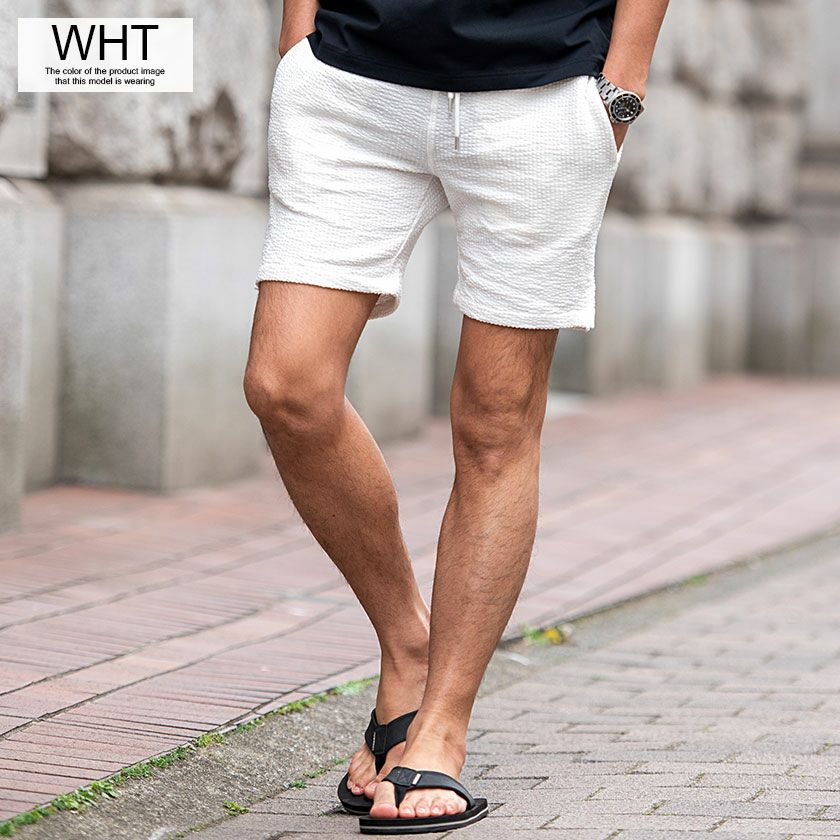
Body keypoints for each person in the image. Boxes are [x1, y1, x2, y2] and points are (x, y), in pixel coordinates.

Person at [245, 0, 669, 832]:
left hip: (544, 94)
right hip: (352, 84)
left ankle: (440, 724)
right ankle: (408, 643)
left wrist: (621, 87)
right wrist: (298, 43)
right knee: (286, 386)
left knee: (495, 425)